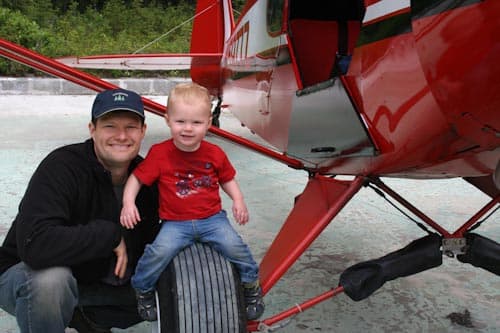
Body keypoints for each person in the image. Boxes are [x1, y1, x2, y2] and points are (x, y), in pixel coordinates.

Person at [0, 88, 160, 333]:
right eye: (109, 126)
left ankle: (90, 320)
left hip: (102, 284)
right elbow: (36, 244)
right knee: (50, 282)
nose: (121, 135)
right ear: (92, 129)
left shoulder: (150, 179)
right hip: (26, 276)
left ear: (143, 132)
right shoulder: (62, 167)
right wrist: (110, 236)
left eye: (130, 127)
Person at [120, 82, 265, 321]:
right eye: (180, 122)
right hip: (175, 224)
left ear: (208, 123)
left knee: (236, 248)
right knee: (157, 253)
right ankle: (143, 289)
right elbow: (136, 178)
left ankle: (251, 287)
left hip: (212, 220)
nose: (187, 129)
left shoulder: (215, 153)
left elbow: (227, 179)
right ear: (168, 120)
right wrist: (128, 203)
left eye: (196, 123)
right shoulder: (159, 153)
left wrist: (238, 201)